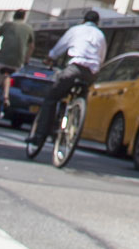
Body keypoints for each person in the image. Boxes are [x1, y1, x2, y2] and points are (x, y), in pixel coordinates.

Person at [26, 10, 106, 151]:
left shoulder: (76, 30)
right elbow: (101, 57)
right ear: (97, 23)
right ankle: (75, 117)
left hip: (75, 67)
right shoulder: (101, 35)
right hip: (92, 73)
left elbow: (60, 47)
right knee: (82, 94)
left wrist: (50, 58)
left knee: (51, 98)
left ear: (84, 20)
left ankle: (39, 137)